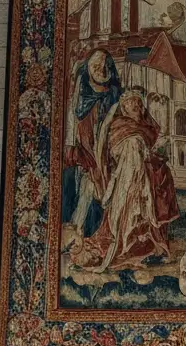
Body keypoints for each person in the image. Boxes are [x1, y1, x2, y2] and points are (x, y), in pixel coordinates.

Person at [80, 91, 176, 273]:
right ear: (123, 108)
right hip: (126, 177)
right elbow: (116, 152)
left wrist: (154, 158)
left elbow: (146, 155)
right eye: (132, 104)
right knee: (127, 212)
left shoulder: (142, 130)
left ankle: (142, 248)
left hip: (142, 177)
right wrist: (137, 153)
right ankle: (125, 248)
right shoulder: (119, 126)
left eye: (139, 104)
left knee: (145, 210)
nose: (137, 107)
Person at [61, 43, 120, 242]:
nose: (101, 69)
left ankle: (95, 230)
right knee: (84, 181)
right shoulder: (81, 91)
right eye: (96, 65)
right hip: (83, 148)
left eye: (105, 65)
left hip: (106, 149)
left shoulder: (113, 93)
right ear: (88, 67)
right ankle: (77, 227)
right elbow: (72, 119)